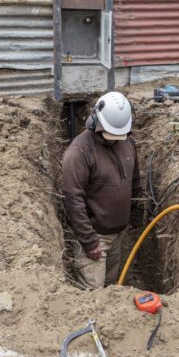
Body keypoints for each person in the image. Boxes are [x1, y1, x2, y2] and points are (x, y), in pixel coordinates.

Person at [62, 91, 142, 289]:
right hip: (95, 237)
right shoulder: (79, 152)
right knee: (94, 295)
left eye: (118, 136)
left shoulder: (127, 142)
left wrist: (136, 217)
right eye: (110, 135)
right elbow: (73, 200)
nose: (114, 140)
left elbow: (135, 182)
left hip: (120, 234)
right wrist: (89, 241)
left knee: (112, 287)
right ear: (94, 121)